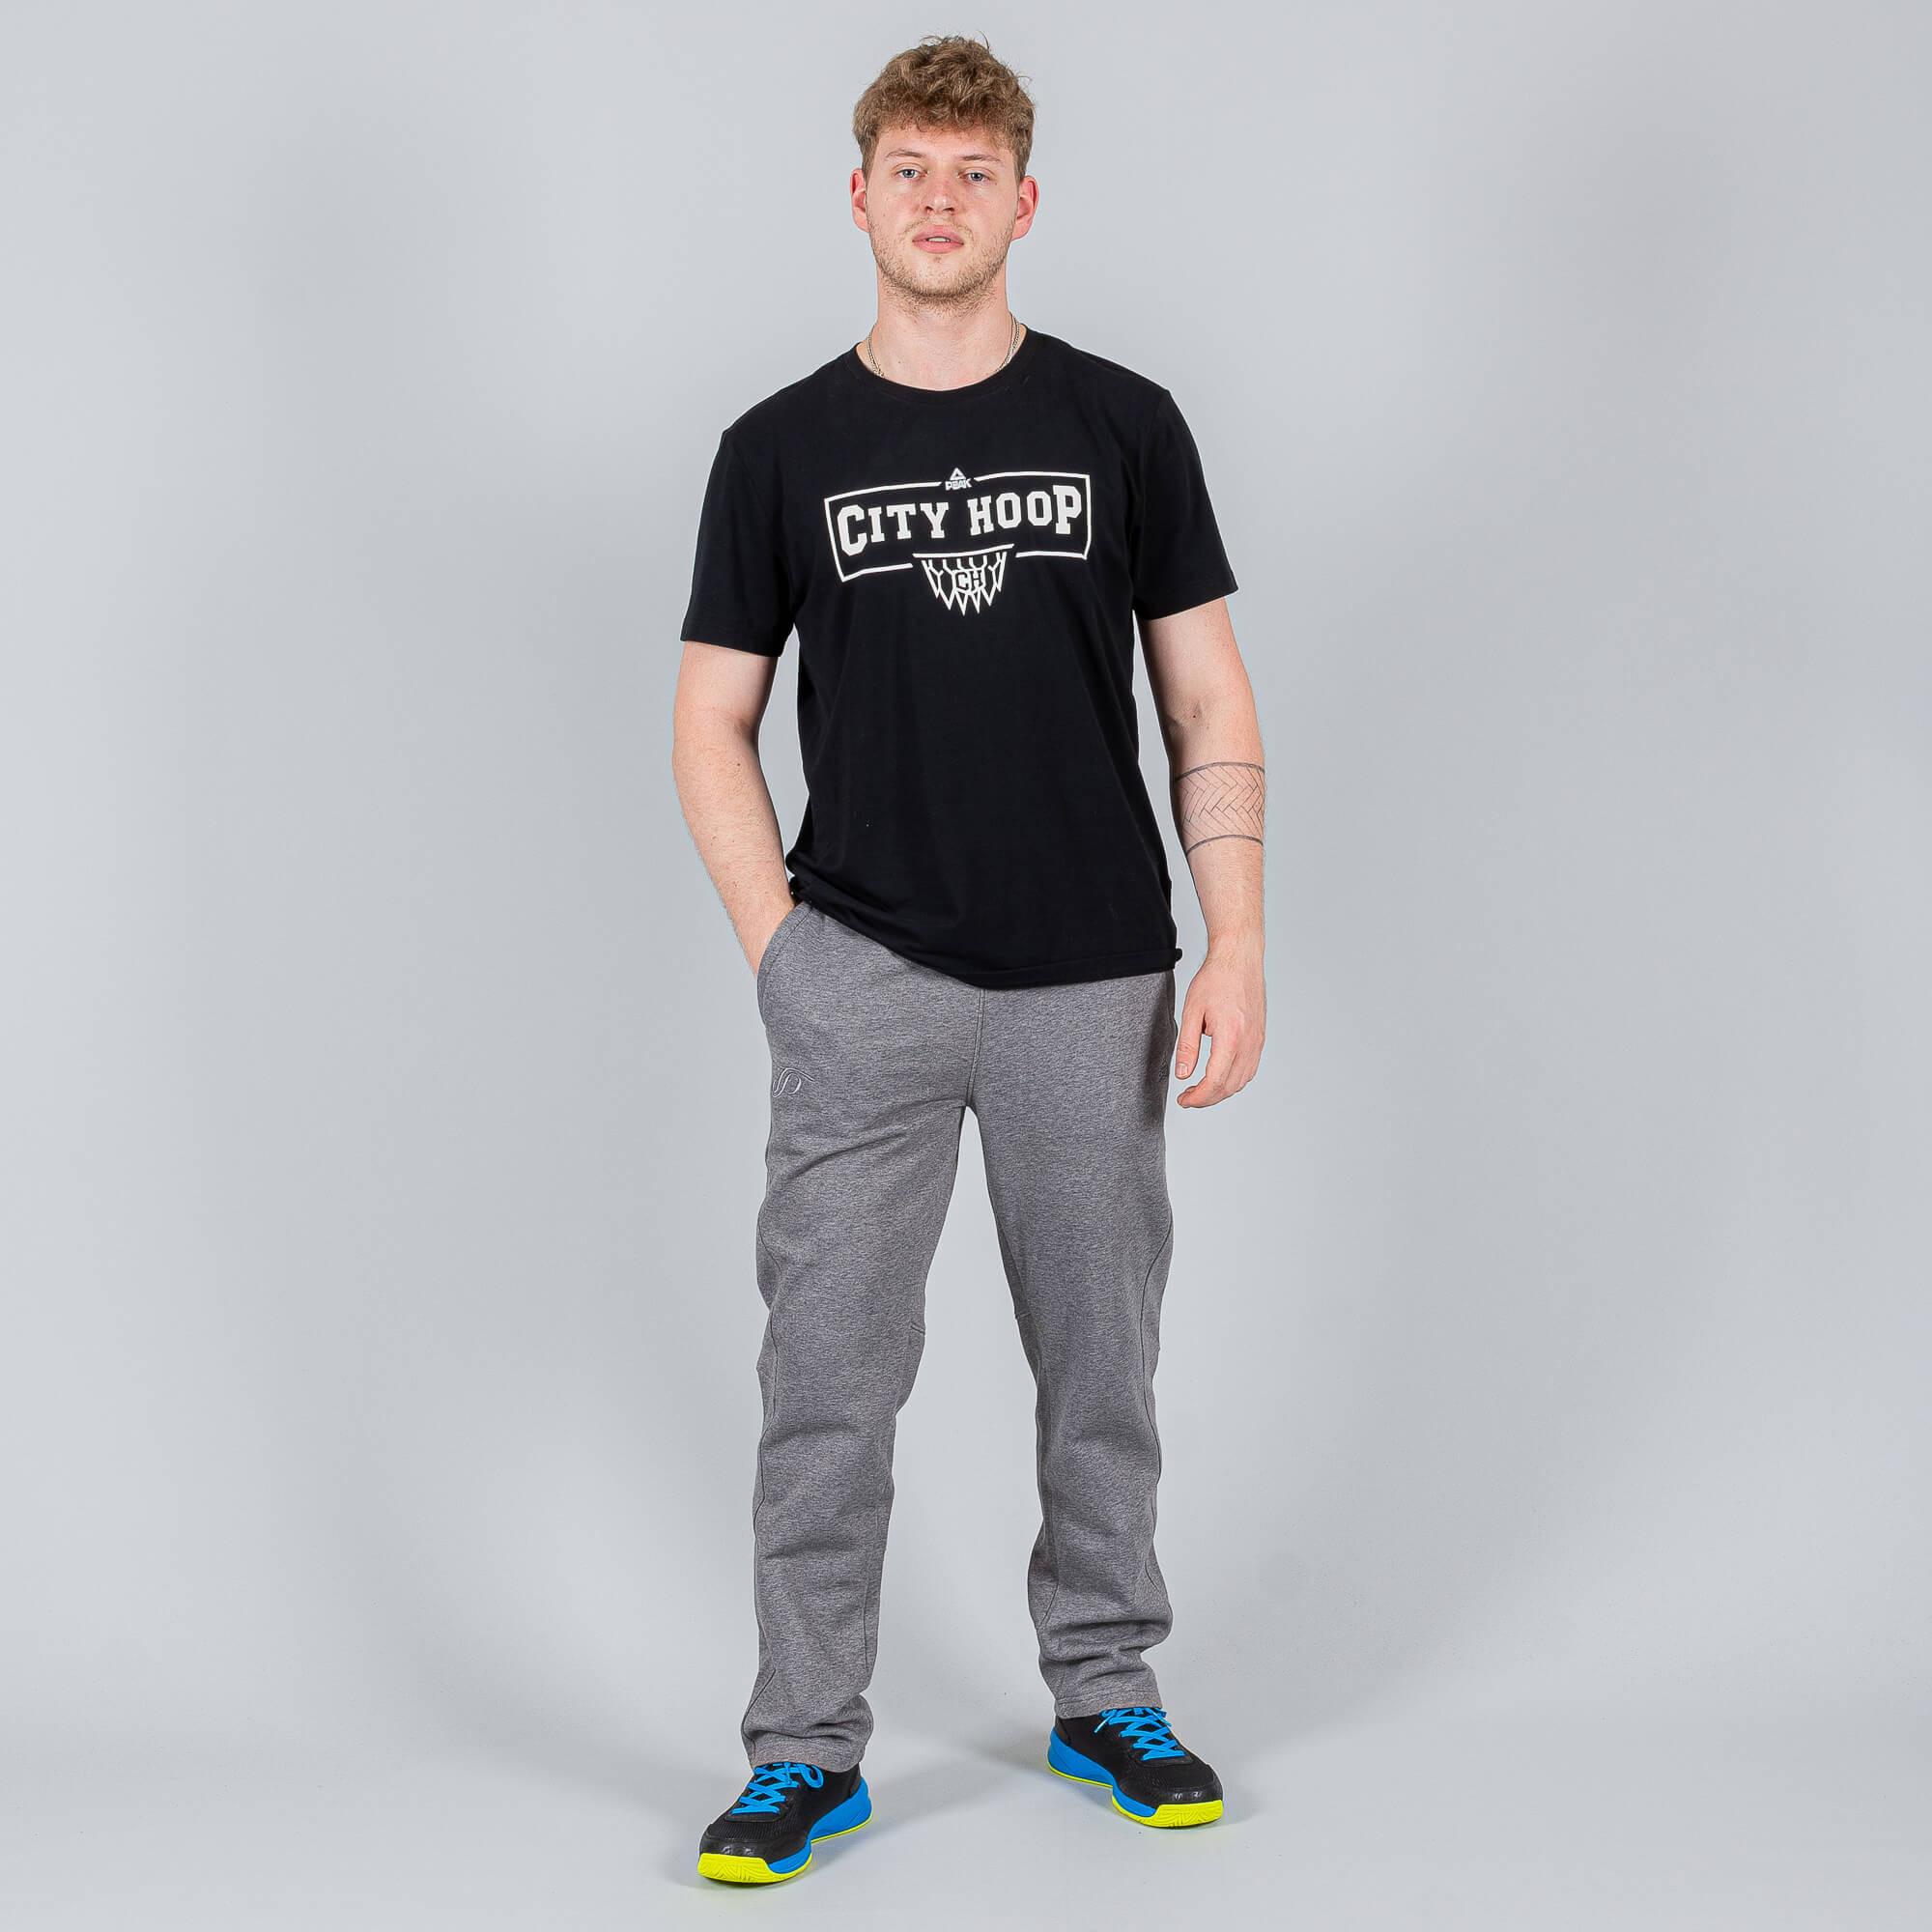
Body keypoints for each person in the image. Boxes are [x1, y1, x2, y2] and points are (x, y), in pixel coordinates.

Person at [670, 33, 1266, 1886]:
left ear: (1026, 201)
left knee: (1103, 1370)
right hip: (865, 977)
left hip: (1095, 976)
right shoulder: (779, 450)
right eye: (911, 171)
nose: (942, 200)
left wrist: (1239, 933)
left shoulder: (1124, 424)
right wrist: (783, 955)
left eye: (975, 171)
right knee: (826, 1384)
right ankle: (803, 1750)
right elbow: (709, 721)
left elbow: (1207, 694)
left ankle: (1107, 1691)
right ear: (860, 197)